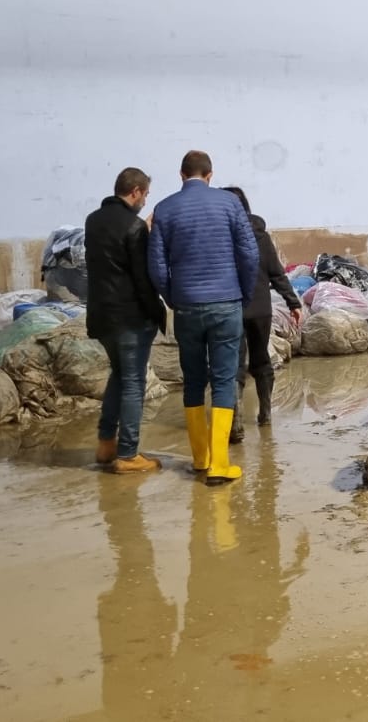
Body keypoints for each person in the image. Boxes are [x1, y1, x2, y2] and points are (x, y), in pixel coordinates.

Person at [148, 151, 259, 485]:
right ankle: (220, 464)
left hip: (186, 306)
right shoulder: (230, 204)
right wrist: (243, 292)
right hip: (226, 302)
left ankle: (200, 459)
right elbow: (249, 253)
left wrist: (173, 297)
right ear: (210, 175)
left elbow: (157, 266)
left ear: (182, 175)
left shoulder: (164, 209)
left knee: (193, 380)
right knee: (224, 379)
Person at [85, 167, 166, 474]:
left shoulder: (93, 220)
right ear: (135, 192)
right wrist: (157, 311)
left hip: (101, 315)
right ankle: (128, 454)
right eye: (145, 195)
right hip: (130, 317)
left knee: (118, 375)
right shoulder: (134, 227)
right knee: (133, 382)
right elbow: (142, 279)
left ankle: (106, 443)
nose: (145, 201)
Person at [222, 186, 301, 441]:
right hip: (260, 309)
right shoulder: (260, 236)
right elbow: (276, 273)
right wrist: (293, 302)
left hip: (231, 308)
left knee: (233, 364)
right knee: (261, 361)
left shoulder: (219, 236)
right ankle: (265, 415)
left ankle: (235, 422)